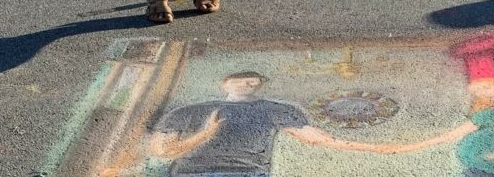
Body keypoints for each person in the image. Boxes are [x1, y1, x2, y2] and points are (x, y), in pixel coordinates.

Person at [149, 71, 476, 176]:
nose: (247, 84)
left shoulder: (275, 109)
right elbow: (162, 151)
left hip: (247, 172)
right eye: (241, 80)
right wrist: (204, 135)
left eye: (253, 81)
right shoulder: (192, 110)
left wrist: (387, 148)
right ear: (225, 84)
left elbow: (318, 139)